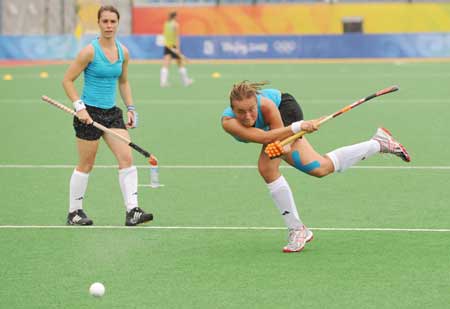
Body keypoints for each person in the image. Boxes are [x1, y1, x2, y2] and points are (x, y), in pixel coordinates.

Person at [221, 81, 410, 253]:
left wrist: (292, 131)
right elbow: (264, 137)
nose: (247, 116)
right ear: (232, 110)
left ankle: (297, 230)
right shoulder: (229, 123)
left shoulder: (267, 106)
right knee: (320, 169)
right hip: (287, 127)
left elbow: (279, 138)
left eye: (252, 109)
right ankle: (379, 143)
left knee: (267, 168)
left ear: (257, 103)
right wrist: (299, 127)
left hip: (285, 110)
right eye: (241, 112)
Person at [62, 5, 154, 226]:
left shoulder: (124, 52)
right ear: (99, 23)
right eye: (105, 21)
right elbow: (67, 80)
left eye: (113, 21)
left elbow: (123, 81)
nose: (109, 25)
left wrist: (131, 108)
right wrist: (79, 107)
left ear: (118, 23)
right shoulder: (89, 51)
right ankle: (74, 212)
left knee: (126, 158)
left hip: (112, 113)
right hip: (89, 113)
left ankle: (133, 211)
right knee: (86, 164)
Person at [160, 11, 193, 87]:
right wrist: (178, 49)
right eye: (178, 16)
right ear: (174, 17)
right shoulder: (175, 25)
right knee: (180, 64)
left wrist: (167, 44)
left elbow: (165, 35)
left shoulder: (166, 24)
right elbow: (177, 37)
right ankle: (185, 82)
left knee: (166, 64)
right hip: (174, 46)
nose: (179, 18)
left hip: (167, 46)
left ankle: (163, 82)